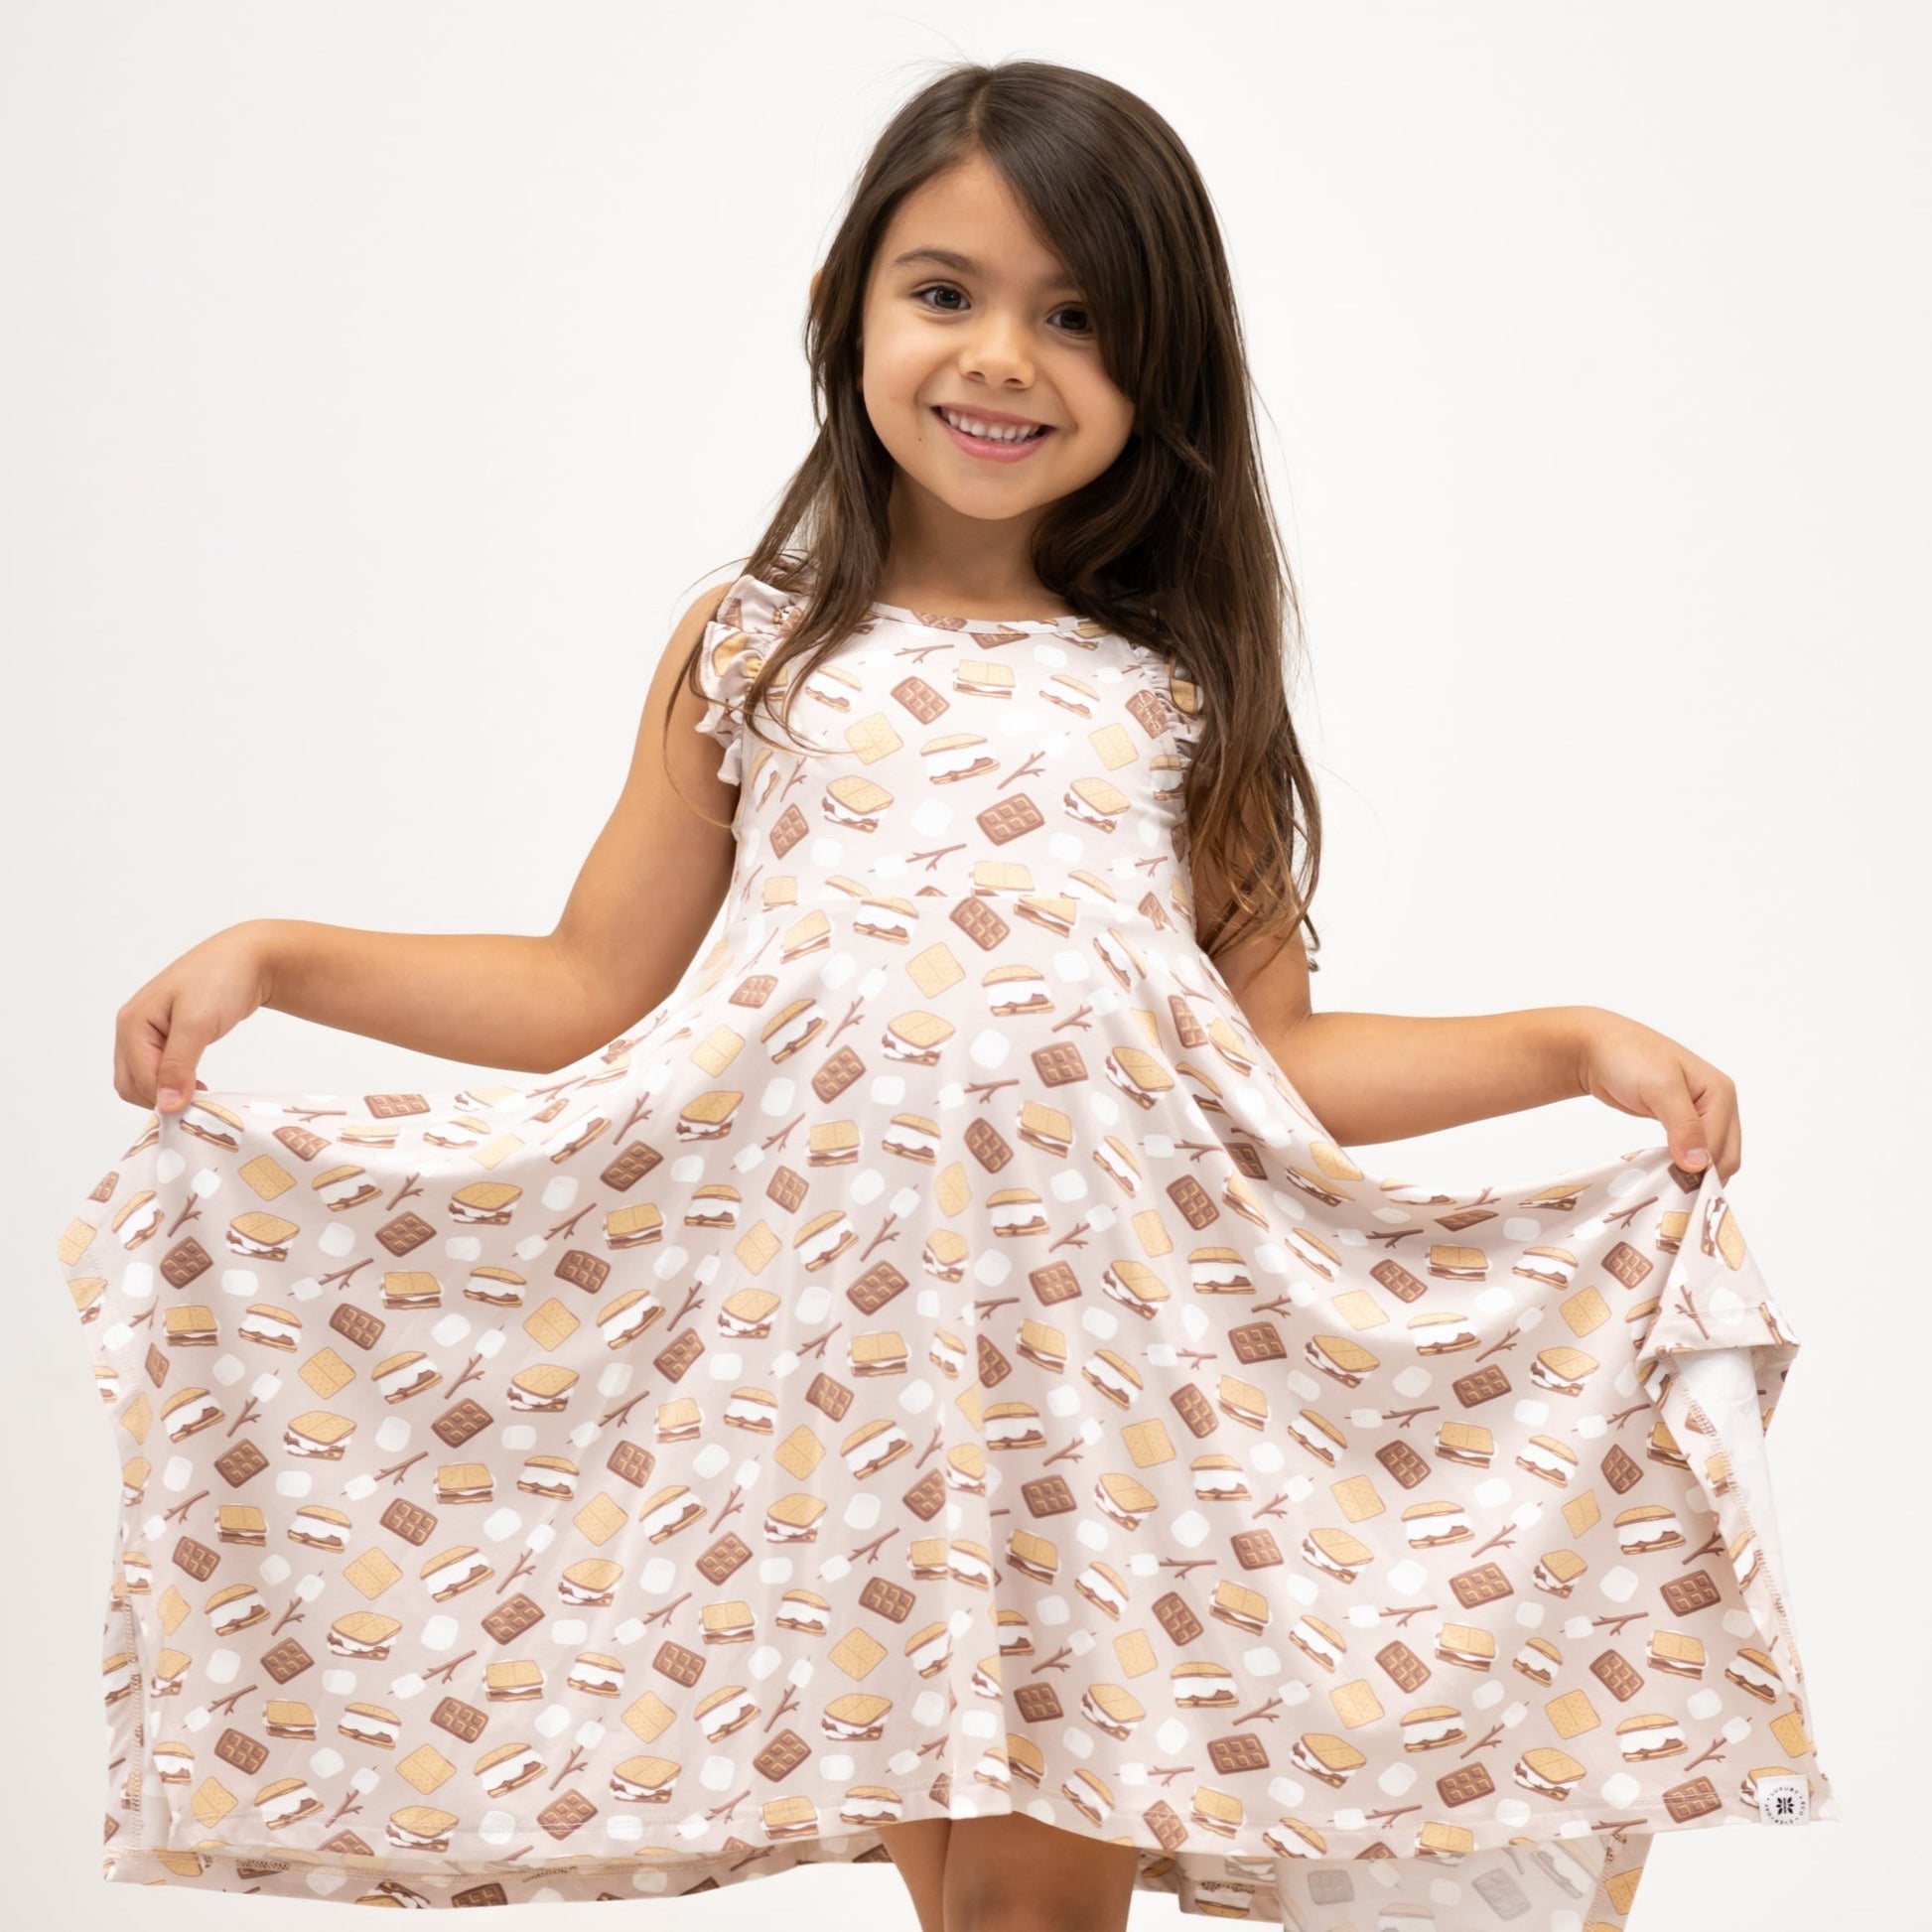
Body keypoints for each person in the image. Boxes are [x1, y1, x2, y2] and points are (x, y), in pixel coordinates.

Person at [57, 58, 1832, 1929]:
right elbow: (590, 986)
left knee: (1036, 1904)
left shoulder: (1172, 686)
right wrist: (282, 955)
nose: (1002, 358)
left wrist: (1568, 1046)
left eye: (1077, 318)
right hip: (846, 1383)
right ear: (848, 308)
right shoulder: (755, 650)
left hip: (1104, 1386)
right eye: (946, 292)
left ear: (1160, 370)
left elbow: (1272, 1064)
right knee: (976, 1905)